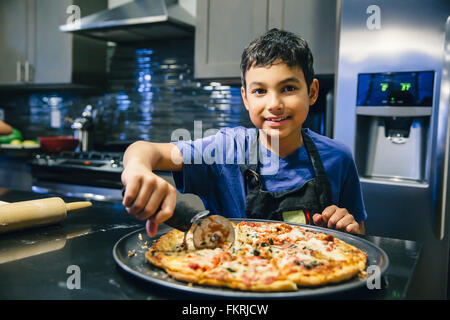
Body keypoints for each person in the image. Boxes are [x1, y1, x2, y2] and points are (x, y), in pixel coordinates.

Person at [121, 28, 367, 237]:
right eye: (260, 91)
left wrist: (346, 229)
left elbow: (359, 234)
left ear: (312, 92)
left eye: (288, 88)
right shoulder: (225, 149)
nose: (274, 104)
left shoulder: (339, 158)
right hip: (232, 277)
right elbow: (144, 150)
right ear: (245, 98)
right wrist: (137, 169)